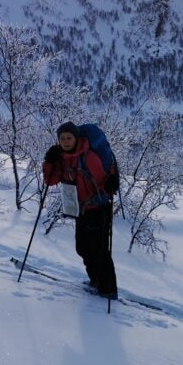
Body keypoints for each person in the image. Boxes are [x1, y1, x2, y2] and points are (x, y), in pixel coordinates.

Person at [42, 122, 118, 299]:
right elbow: (51, 181)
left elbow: (106, 183)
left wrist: (111, 184)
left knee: (100, 251)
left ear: (76, 138)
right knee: (83, 248)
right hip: (80, 209)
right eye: (62, 138)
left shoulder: (89, 157)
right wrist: (49, 162)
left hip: (99, 208)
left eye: (69, 138)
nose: (66, 141)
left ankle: (108, 290)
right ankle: (95, 281)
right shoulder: (61, 157)